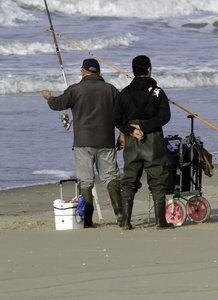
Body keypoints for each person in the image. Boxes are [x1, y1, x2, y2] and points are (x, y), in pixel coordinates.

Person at [42, 58, 122, 228]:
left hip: (83, 142)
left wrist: (48, 97)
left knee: (85, 181)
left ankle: (87, 220)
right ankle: (121, 215)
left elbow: (57, 105)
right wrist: (122, 135)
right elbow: (123, 114)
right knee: (111, 178)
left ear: (83, 71)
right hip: (106, 140)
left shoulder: (75, 90)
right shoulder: (111, 90)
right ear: (98, 72)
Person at [112, 55, 171, 230]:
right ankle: (161, 221)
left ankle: (125, 222)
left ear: (134, 71)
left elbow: (116, 118)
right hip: (152, 140)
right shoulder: (157, 92)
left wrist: (131, 130)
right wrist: (145, 128)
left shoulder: (124, 93)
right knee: (158, 179)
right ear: (148, 69)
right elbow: (165, 116)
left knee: (129, 180)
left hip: (132, 141)